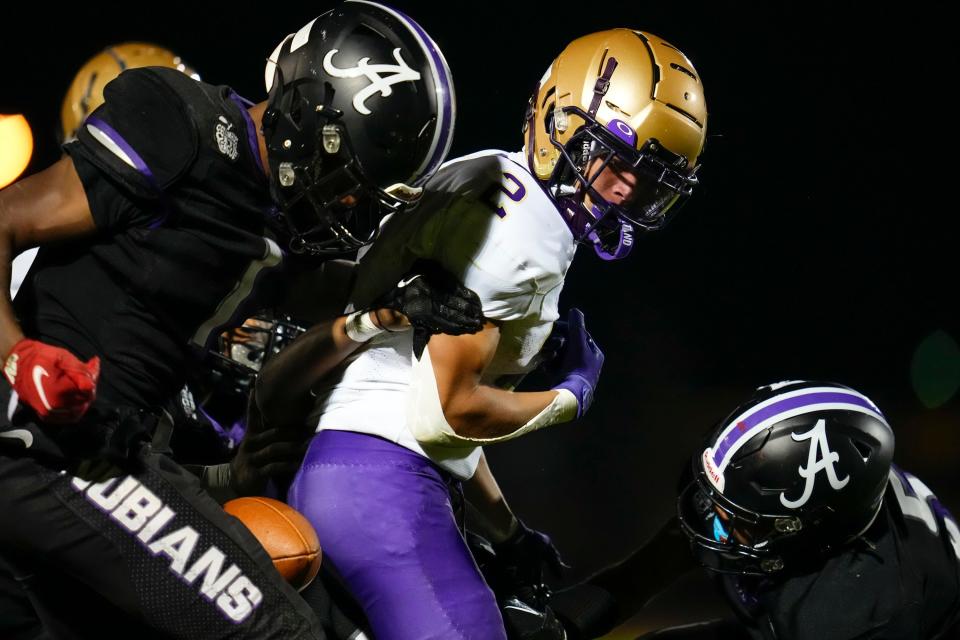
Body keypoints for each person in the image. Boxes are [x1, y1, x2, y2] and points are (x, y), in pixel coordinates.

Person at [0, 2, 470, 637]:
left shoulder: (267, 210)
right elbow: (6, 219)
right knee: (282, 631)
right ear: (305, 110)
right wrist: (16, 354)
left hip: (110, 455)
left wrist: (406, 300)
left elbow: (306, 285)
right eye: (343, 173)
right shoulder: (183, 122)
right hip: (57, 446)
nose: (346, 203)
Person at [256, 27, 708, 640]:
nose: (627, 189)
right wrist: (568, 398)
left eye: (650, 178)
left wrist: (508, 531)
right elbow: (447, 414)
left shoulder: (490, 174)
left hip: (351, 467)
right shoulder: (526, 237)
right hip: (382, 482)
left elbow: (419, 385)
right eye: (618, 160)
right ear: (561, 123)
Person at [556, 381, 960, 640]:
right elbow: (640, 577)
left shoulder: (855, 615)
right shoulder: (813, 510)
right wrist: (550, 626)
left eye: (738, 519)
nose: (714, 522)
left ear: (808, 528)